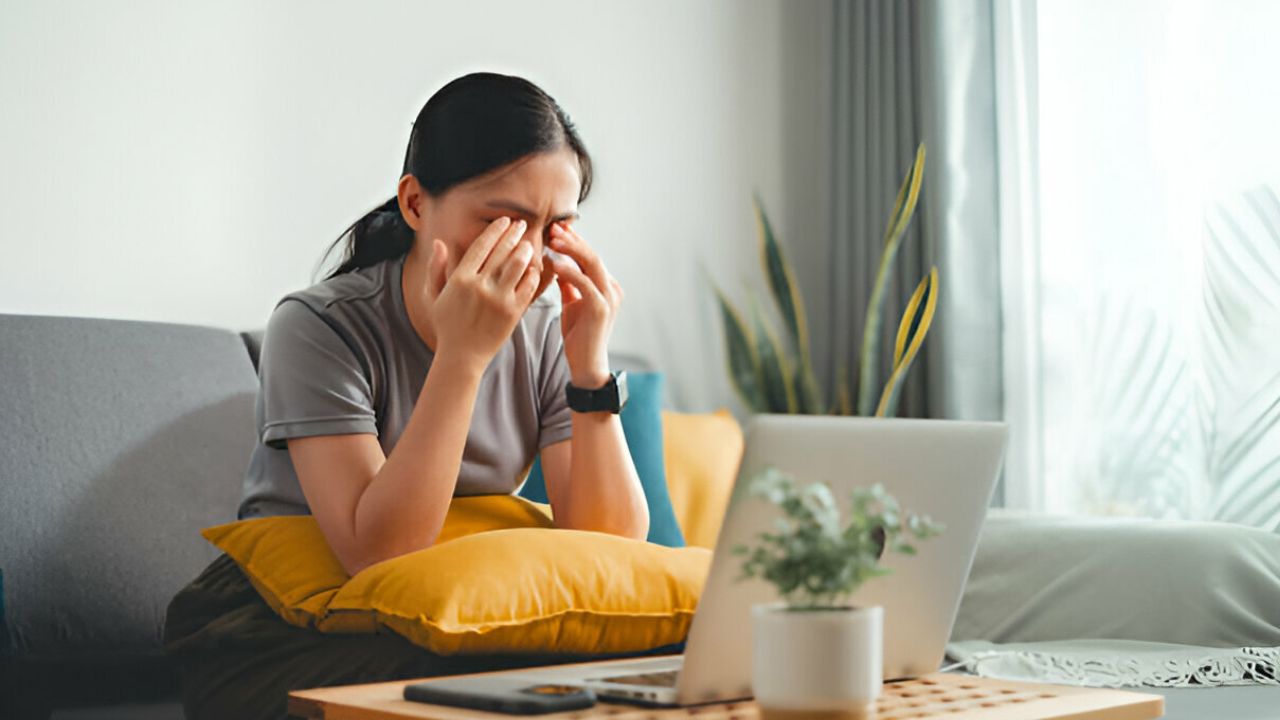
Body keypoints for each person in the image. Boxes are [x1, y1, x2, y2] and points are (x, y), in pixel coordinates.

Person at [163, 71, 652, 720]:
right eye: (505, 221)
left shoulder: (546, 331)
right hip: (276, 632)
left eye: (554, 227)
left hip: (467, 623)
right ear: (416, 204)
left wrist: (590, 370)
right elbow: (380, 553)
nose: (530, 256)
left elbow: (611, 543)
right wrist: (463, 357)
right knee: (510, 683)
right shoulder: (318, 326)